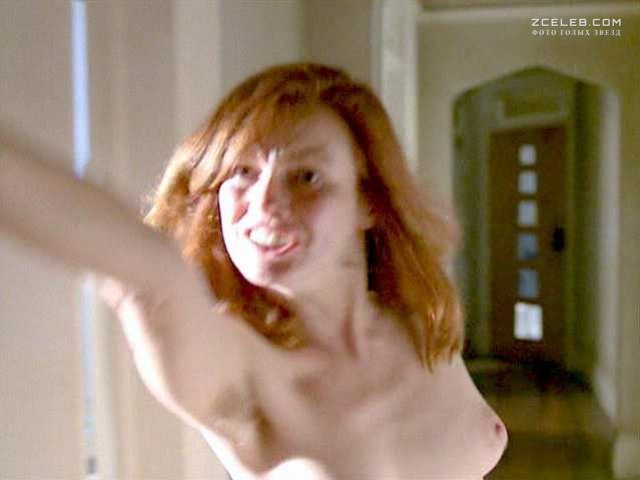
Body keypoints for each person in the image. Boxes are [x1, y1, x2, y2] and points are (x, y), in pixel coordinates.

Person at [0, 63, 507, 479]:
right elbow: (151, 275)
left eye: (305, 176)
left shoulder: (418, 317)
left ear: (369, 202)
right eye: (241, 173)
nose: (263, 203)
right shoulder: (246, 371)